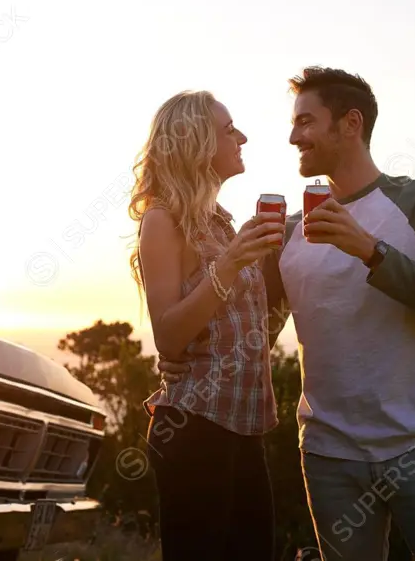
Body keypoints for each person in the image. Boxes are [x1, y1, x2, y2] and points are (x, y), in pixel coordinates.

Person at [159, 67, 415, 561]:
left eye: (306, 122)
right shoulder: (289, 232)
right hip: (329, 458)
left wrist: (370, 250)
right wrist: (182, 363)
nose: (293, 136)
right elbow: (255, 332)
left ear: (350, 124)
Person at [128, 89, 286, 561]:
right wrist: (233, 262)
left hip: (245, 427)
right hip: (194, 429)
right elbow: (169, 335)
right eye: (228, 129)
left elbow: (249, 326)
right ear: (196, 142)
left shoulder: (222, 224)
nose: (241, 136)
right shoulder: (163, 220)